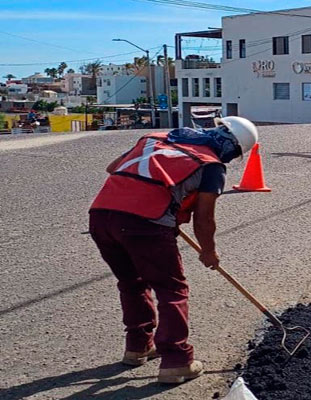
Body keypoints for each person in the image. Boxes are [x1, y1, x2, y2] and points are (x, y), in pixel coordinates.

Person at [88, 117, 258, 383]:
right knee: (172, 290)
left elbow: (114, 168)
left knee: (132, 283)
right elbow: (204, 219)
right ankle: (176, 361)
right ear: (233, 147)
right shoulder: (211, 165)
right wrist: (208, 251)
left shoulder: (156, 137)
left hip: (101, 216)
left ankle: (138, 347)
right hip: (145, 223)